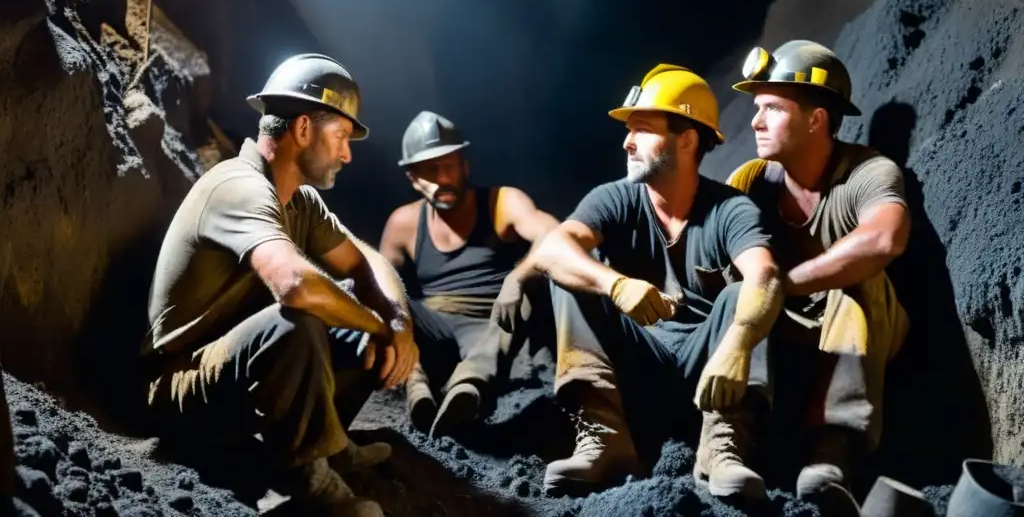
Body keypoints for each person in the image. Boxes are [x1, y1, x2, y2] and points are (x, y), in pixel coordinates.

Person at [142, 53, 418, 517]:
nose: (348, 154)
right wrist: (378, 325)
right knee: (296, 322)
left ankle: (328, 446)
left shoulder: (299, 202)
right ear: (304, 129)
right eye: (342, 137)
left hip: (236, 373)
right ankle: (305, 484)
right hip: (180, 387)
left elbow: (366, 260)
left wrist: (395, 320)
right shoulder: (238, 185)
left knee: (352, 314)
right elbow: (294, 285)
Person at [493, 64, 784, 498]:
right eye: (629, 130)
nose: (627, 142)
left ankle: (724, 447)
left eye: (643, 130)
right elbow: (554, 248)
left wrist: (739, 343)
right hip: (636, 371)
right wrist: (616, 284)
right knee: (570, 275)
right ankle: (605, 438)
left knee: (746, 295)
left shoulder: (729, 209)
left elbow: (766, 275)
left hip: (710, 375)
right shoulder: (616, 198)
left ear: (686, 139)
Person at [728, 40, 910, 501]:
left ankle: (833, 450)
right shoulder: (751, 181)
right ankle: (733, 441)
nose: (755, 121)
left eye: (771, 107)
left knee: (864, 278)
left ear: (816, 118)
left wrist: (783, 283)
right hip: (777, 335)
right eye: (756, 107)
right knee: (739, 289)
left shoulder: (867, 172)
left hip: (850, 331)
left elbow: (886, 237)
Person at [379, 111, 558, 438]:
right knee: (388, 299)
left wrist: (517, 278)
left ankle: (469, 387)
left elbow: (553, 235)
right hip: (438, 331)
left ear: (465, 166)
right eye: (430, 170)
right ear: (413, 178)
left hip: (497, 319)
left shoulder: (501, 203)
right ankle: (417, 385)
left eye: (449, 165)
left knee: (534, 282)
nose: (442, 177)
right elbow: (379, 283)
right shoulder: (403, 223)